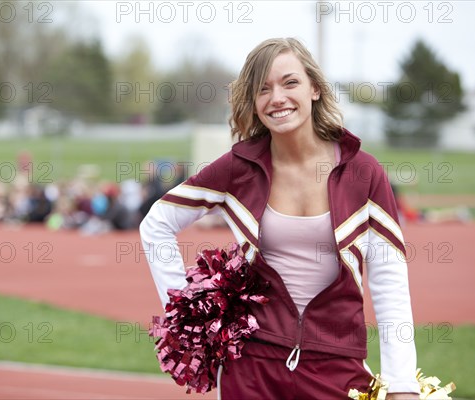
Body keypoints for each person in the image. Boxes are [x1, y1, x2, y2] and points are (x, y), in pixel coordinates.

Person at [140, 38, 419, 399]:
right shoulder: (238, 169)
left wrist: (402, 384)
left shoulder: (363, 172)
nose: (277, 98)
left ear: (315, 88)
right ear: (254, 102)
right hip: (252, 368)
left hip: (337, 368)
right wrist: (189, 316)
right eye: (263, 89)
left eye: (290, 83)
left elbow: (389, 278)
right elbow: (157, 223)